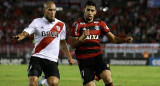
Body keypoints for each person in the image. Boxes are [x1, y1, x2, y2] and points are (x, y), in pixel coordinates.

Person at [70, 0, 133, 86]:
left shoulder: (100, 24)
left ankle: (97, 74)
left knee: (107, 76)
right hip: (84, 60)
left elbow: (113, 39)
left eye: (92, 10)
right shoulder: (77, 25)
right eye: (88, 10)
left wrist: (124, 40)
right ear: (84, 10)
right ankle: (95, 75)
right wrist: (82, 37)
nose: (90, 12)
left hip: (97, 57)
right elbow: (73, 45)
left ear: (95, 12)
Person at [12, 1, 75, 86]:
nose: (52, 12)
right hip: (37, 57)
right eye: (50, 10)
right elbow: (26, 32)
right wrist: (21, 36)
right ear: (44, 10)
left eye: (54, 10)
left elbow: (63, 43)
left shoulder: (61, 25)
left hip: (52, 60)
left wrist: (69, 58)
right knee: (32, 84)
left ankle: (42, 82)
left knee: (54, 83)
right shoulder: (37, 22)